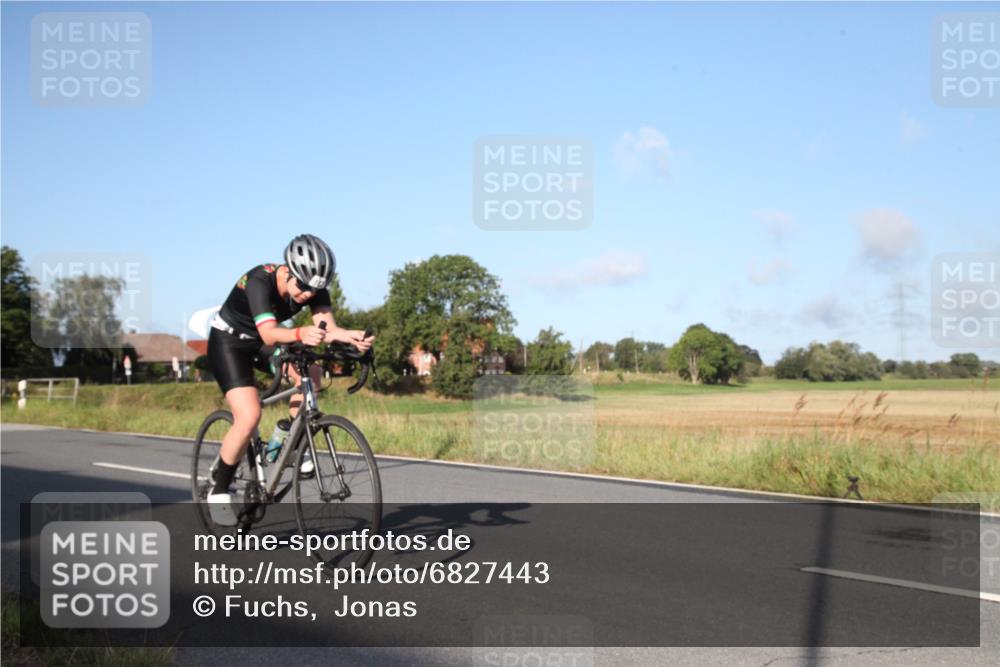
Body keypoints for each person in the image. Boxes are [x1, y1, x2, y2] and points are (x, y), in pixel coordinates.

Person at [206, 234, 373, 525]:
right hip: (230, 343)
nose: (308, 294)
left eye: (315, 290)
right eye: (304, 287)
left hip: (264, 344)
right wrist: (299, 333)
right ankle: (219, 486)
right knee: (248, 417)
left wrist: (351, 336)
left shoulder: (315, 286)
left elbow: (327, 329)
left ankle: (284, 442)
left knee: (313, 374)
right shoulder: (259, 280)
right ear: (288, 270)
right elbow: (270, 332)